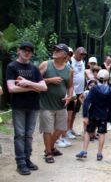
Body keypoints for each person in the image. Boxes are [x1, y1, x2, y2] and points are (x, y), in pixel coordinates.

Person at [6, 41, 47, 175]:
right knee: (20, 135)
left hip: (33, 106)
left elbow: (44, 87)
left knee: (29, 135)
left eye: (29, 50)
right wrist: (34, 88)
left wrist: (26, 83)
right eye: (24, 50)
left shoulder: (34, 69)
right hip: (19, 106)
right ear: (19, 50)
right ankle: (21, 163)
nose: (27, 52)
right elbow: (11, 88)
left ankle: (27, 159)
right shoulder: (12, 66)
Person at [38, 43, 74, 163]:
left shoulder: (69, 70)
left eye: (58, 50)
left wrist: (69, 97)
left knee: (60, 129)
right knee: (47, 129)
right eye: (54, 49)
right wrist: (49, 80)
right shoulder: (45, 64)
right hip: (46, 104)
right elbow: (35, 80)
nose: (54, 51)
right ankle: (49, 153)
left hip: (61, 104)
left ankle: (51, 147)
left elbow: (70, 86)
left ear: (64, 55)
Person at [75, 69, 111, 161]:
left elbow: (86, 102)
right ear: (108, 79)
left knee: (88, 132)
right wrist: (110, 118)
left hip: (93, 114)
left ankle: (84, 151)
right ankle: (99, 154)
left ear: (97, 78)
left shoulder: (94, 89)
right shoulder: (110, 91)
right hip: (103, 115)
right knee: (102, 133)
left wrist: (85, 115)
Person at [67, 47, 87, 139]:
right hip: (72, 91)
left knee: (75, 112)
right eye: (81, 54)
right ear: (75, 52)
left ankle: (71, 128)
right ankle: (67, 130)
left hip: (80, 91)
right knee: (70, 112)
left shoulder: (82, 61)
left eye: (84, 54)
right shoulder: (70, 61)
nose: (82, 56)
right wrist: (72, 92)